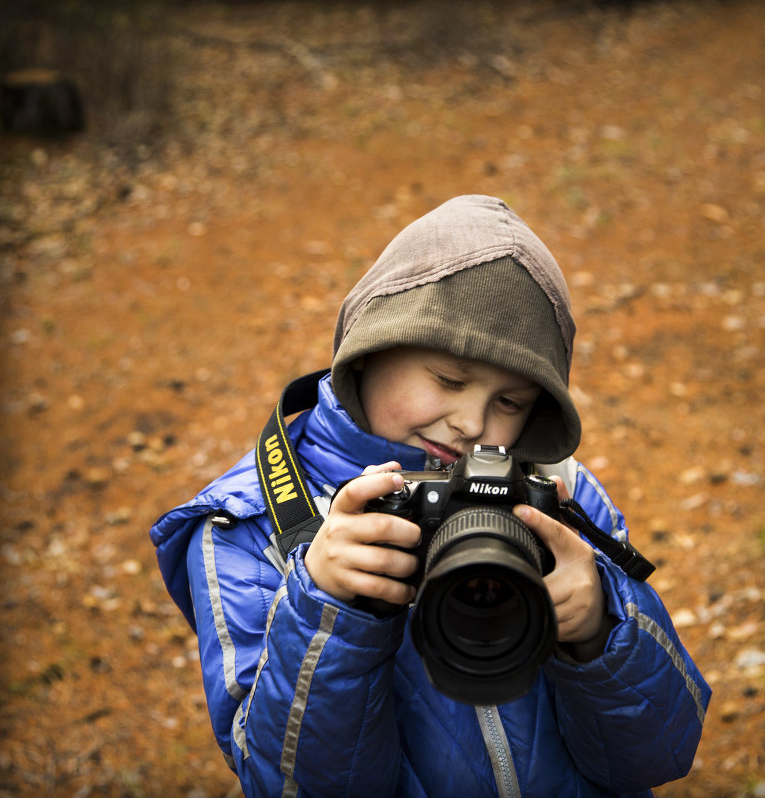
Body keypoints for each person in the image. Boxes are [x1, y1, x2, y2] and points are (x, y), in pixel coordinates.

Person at [150, 195, 711, 798]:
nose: (471, 423)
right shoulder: (246, 525)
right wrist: (326, 610)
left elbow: (657, 754)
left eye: (510, 402)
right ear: (369, 348)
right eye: (449, 379)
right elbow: (288, 786)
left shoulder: (557, 495)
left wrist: (601, 628)